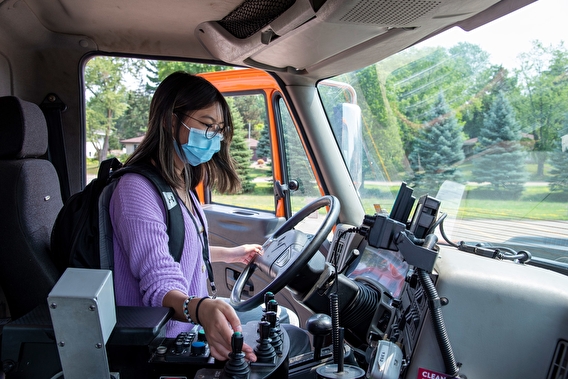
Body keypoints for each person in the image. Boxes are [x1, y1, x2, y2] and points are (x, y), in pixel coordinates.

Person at [109, 71, 261, 361]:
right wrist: (201, 308)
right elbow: (158, 280)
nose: (214, 136)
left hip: (187, 332)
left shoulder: (181, 185)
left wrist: (229, 253)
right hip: (162, 345)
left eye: (218, 129)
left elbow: (177, 252)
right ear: (170, 119)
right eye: (206, 125)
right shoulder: (136, 189)